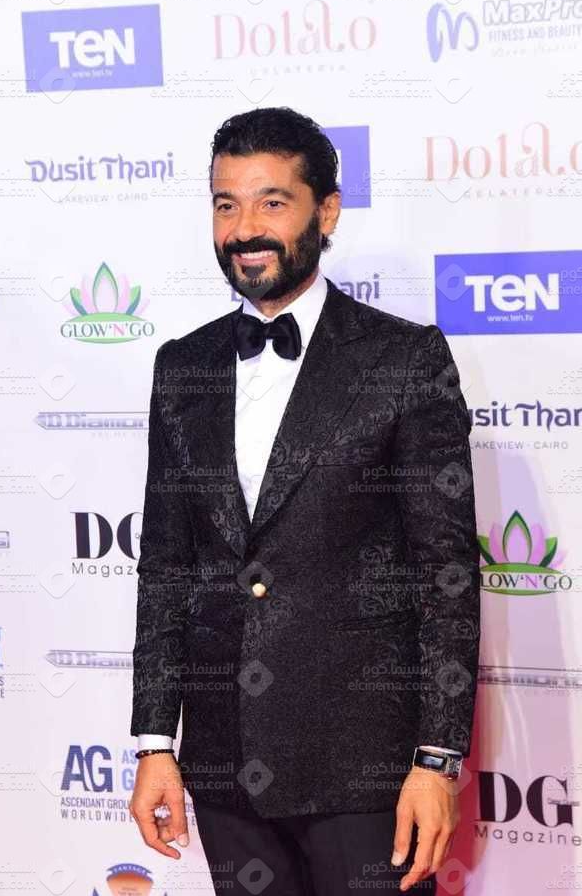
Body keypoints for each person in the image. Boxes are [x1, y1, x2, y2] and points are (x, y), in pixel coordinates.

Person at [129, 107, 481, 894]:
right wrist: (155, 739)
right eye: (226, 204)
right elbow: (166, 567)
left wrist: (436, 760)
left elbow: (446, 574)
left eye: (272, 201)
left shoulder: (403, 358)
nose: (244, 229)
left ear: (326, 212)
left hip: (368, 772)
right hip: (226, 769)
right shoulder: (181, 367)